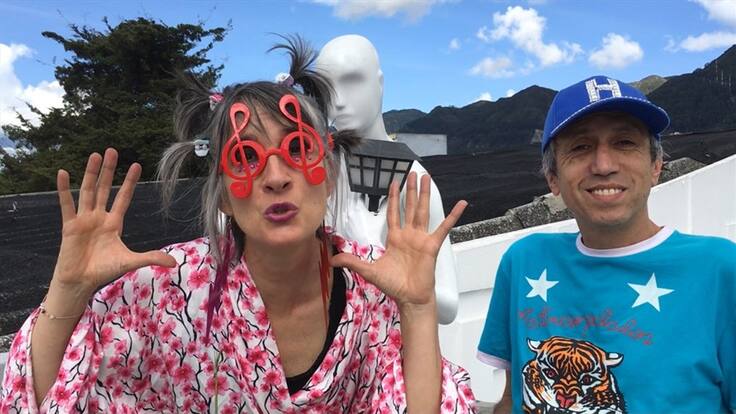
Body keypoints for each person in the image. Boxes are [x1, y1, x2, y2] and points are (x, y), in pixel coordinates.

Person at [0, 36, 476, 413]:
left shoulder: (374, 280)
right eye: (246, 157)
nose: (276, 177)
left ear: (329, 174)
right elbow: (50, 394)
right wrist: (67, 290)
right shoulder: (168, 287)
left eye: (298, 149)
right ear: (224, 194)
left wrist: (417, 307)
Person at [477, 75, 736, 413]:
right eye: (580, 147)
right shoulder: (524, 261)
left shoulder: (720, 268)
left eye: (624, 142)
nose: (603, 165)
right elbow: (512, 399)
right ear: (553, 178)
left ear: (656, 166)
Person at [315, 34, 460, 325]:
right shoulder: (318, 172)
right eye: (326, 88)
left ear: (379, 84)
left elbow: (448, 305)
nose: (339, 101)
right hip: (329, 345)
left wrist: (374, 253)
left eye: (353, 81)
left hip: (395, 344)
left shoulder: (413, 180)